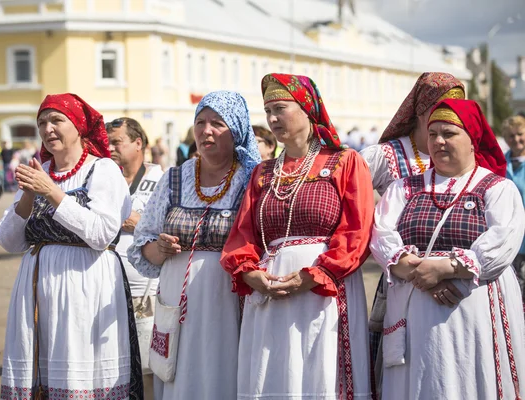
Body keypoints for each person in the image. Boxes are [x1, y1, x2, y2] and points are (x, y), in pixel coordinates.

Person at [221, 73, 374, 399]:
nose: (273, 119)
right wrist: (251, 274)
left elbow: (357, 231)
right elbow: (243, 235)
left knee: (318, 371)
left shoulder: (344, 162)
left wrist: (314, 275)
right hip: (269, 291)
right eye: (267, 112)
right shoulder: (263, 173)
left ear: (307, 109)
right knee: (274, 371)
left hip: (323, 291)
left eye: (280, 108)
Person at [371, 99, 524, 399]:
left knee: (470, 379)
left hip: (473, 311)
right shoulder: (403, 188)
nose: (438, 141)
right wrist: (420, 271)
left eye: (449, 133)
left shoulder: (495, 188)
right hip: (414, 313)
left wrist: (446, 268)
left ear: (472, 139)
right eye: (433, 133)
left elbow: (503, 240)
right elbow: (381, 234)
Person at [0, 93, 143, 399]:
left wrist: (51, 193)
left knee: (80, 371)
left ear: (78, 126)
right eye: (41, 123)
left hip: (85, 286)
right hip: (38, 289)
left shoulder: (102, 170)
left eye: (56, 120)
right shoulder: (41, 172)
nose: (48, 129)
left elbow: (101, 234)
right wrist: (28, 194)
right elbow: (8, 241)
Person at [128, 91, 261, 400]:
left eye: (217, 123)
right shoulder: (175, 178)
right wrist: (159, 249)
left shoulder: (252, 180)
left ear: (237, 130)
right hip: (176, 297)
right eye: (200, 122)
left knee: (222, 371)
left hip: (227, 300)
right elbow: (141, 245)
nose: (206, 130)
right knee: (178, 371)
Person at [360, 72, 465, 391]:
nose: (450, 112)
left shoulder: (465, 152)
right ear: (421, 110)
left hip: (456, 280)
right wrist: (417, 270)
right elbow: (356, 211)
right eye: (442, 105)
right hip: (401, 276)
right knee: (404, 372)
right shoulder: (384, 156)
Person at [107, 116, 164, 399]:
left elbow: (170, 228)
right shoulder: (106, 180)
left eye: (116, 142)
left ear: (138, 143)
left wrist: (135, 222)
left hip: (148, 288)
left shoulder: (162, 178)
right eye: (107, 143)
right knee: (114, 362)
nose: (111, 148)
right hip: (109, 285)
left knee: (148, 365)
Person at [502, 115, 525, 301]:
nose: (516, 139)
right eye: (511, 136)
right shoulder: (500, 164)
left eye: (520, 134)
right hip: (510, 240)